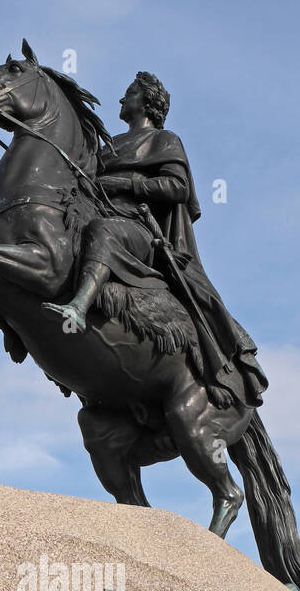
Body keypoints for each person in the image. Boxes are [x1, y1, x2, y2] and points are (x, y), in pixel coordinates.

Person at [43, 71, 267, 408]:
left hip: (137, 230)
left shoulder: (165, 140)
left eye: (129, 93)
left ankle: (78, 307)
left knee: (101, 232)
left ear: (148, 102)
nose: (121, 99)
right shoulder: (108, 145)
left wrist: (127, 185)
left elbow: (178, 188)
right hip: (98, 215)